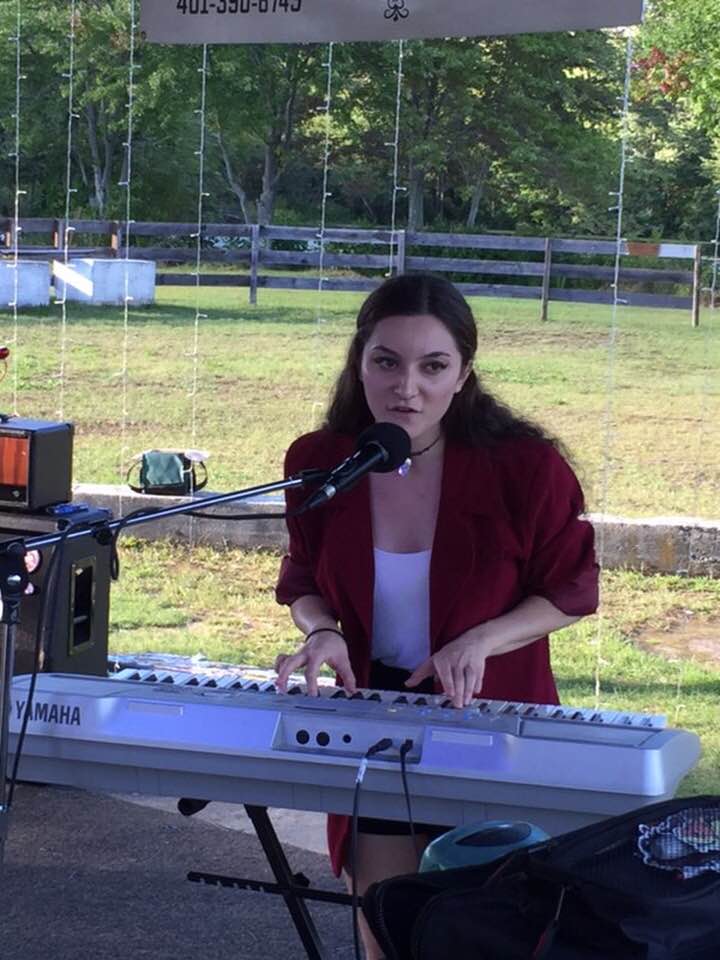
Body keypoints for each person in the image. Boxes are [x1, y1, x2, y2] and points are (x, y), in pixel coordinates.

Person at [274, 272, 598, 960]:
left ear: (464, 374)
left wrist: (482, 639)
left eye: (433, 366)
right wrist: (322, 629)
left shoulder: (525, 467)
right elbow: (302, 577)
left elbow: (571, 587)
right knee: (388, 931)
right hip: (377, 719)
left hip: (491, 713)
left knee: (489, 936)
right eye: (387, 362)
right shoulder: (321, 462)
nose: (407, 387)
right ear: (359, 362)